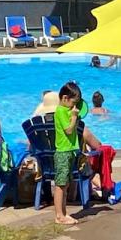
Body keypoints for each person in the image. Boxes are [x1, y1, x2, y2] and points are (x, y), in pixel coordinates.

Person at [53, 83, 82, 225]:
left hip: (69, 151)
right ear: (65, 98)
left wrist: (74, 115)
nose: (73, 106)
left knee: (65, 185)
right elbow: (69, 130)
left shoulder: (67, 111)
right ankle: (59, 215)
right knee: (60, 185)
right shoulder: (60, 111)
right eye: (72, 103)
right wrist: (74, 117)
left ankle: (63, 213)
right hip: (63, 152)